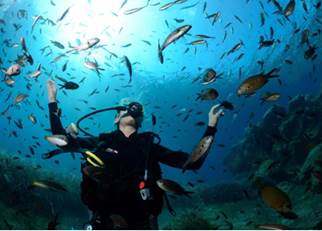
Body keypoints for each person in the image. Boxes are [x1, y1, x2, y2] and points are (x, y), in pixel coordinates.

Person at [45, 80, 224, 229]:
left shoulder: (149, 147)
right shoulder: (100, 143)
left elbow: (193, 162)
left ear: (140, 120)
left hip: (141, 223)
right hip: (103, 222)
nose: (132, 109)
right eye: (125, 107)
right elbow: (61, 139)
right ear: (116, 118)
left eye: (137, 109)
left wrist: (211, 125)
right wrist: (52, 100)